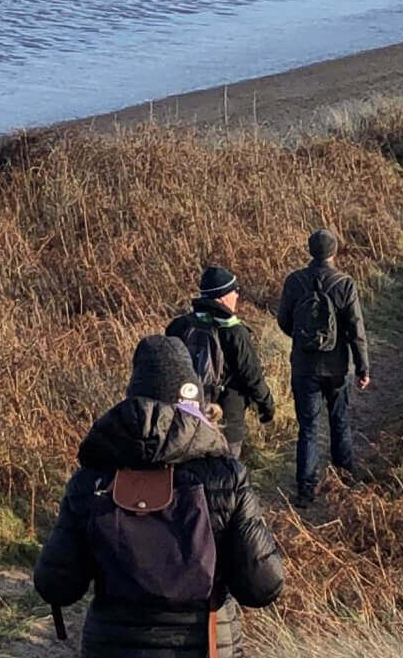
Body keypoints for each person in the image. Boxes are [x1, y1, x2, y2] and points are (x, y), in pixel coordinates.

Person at [34, 336, 284, 658]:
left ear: (133, 399)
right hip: (202, 646)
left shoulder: (91, 480)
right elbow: (262, 586)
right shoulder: (226, 477)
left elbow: (56, 585)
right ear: (193, 403)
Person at [276, 229, 369, 507]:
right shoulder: (344, 283)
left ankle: (305, 490)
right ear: (334, 252)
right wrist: (363, 366)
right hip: (337, 367)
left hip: (304, 366)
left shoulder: (294, 281)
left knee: (308, 427)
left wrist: (305, 340)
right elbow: (356, 329)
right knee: (339, 422)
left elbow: (283, 320)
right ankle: (344, 481)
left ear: (309, 250)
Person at [167, 265, 277, 459]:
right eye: (235, 291)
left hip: (189, 412)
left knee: (193, 471)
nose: (237, 295)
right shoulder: (235, 332)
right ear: (223, 296)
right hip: (228, 418)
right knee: (226, 471)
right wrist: (266, 406)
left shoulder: (180, 326)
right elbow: (251, 375)